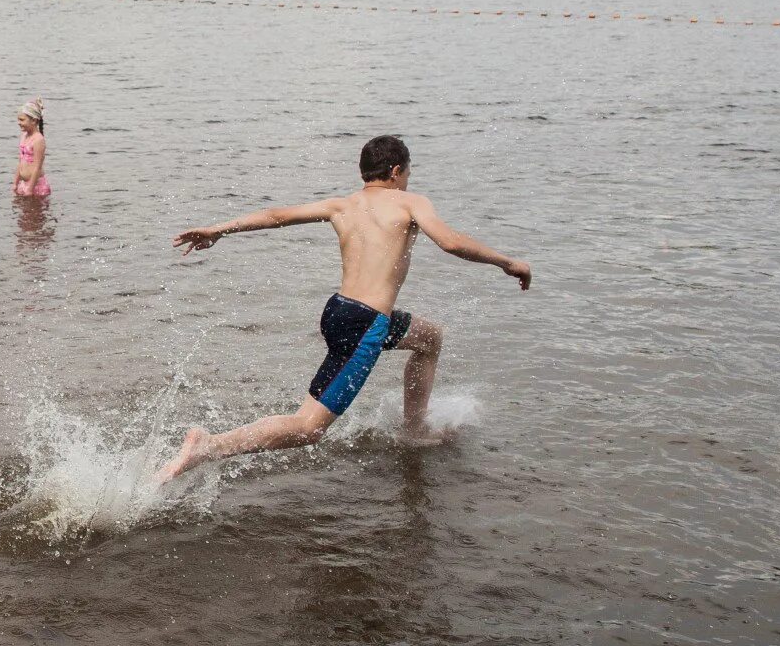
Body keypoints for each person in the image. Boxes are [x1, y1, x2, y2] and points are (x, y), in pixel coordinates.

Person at [159, 135, 531, 483]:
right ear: (397, 171)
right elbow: (450, 242)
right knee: (309, 429)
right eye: (408, 171)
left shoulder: (342, 205)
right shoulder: (411, 201)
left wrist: (219, 229)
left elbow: (276, 215)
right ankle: (211, 446)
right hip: (365, 325)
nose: (408, 178)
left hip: (340, 311)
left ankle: (413, 430)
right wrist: (506, 262)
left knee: (429, 338)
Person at [13, 97, 51, 197]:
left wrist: (30, 189)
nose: (18, 123)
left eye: (22, 120)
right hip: (23, 184)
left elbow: (37, 167)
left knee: (34, 212)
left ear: (34, 120)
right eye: (18, 119)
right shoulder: (24, 136)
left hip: (35, 186)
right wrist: (15, 183)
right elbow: (20, 162)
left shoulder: (38, 140)